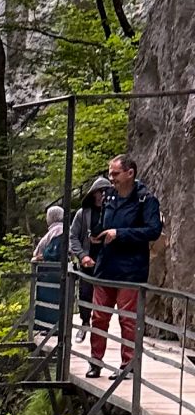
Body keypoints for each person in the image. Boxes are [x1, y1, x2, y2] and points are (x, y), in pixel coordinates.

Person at [86, 153, 164, 377]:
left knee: (127, 319)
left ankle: (128, 366)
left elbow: (153, 230)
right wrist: (98, 236)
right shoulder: (109, 197)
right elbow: (103, 223)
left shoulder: (146, 199)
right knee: (99, 315)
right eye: (110, 174)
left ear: (130, 173)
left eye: (115, 174)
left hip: (131, 269)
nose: (111, 178)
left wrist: (120, 234)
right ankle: (95, 361)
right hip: (106, 266)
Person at [69, 175, 111, 334]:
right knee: (85, 293)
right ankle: (85, 322)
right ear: (93, 193)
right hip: (88, 260)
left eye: (106, 192)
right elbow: (73, 236)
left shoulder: (112, 212)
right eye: (100, 192)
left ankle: (100, 329)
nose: (102, 195)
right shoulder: (83, 214)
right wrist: (81, 255)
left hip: (107, 261)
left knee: (105, 296)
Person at [31, 203, 66, 347]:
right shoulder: (59, 230)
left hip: (52, 273)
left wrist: (41, 256)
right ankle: (51, 326)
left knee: (51, 301)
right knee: (53, 300)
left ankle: (52, 326)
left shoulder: (58, 231)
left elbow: (54, 252)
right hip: (53, 273)